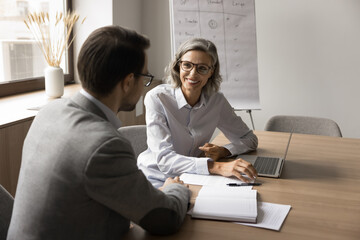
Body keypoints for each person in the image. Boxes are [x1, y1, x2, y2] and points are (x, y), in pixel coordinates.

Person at [7, 26, 190, 240]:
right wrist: (176, 189)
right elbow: (165, 219)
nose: (144, 84)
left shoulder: (50, 112)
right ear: (128, 82)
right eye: (145, 76)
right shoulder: (105, 145)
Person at [138, 38, 258, 188]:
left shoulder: (217, 101)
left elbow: (250, 139)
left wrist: (225, 151)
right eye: (187, 65)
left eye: (202, 68)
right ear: (178, 67)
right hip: (155, 178)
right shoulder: (157, 98)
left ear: (211, 72)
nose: (193, 74)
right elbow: (165, 161)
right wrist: (217, 167)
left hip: (192, 177)